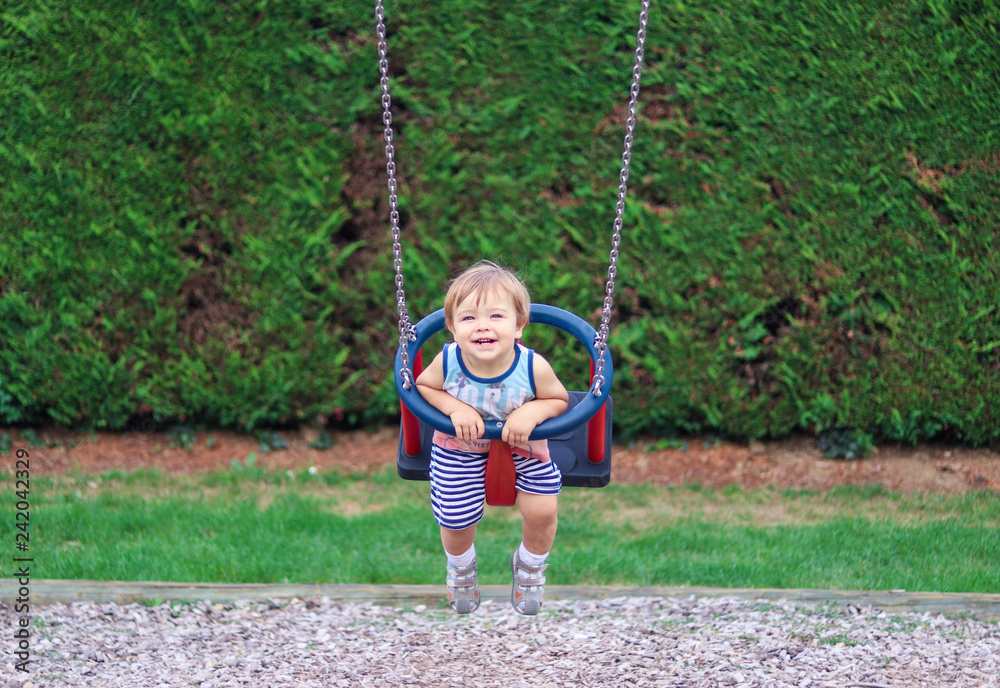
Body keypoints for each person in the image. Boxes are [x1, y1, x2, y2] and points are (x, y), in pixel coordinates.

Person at [415, 260, 569, 616]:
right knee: (455, 519)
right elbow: (424, 386)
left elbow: (559, 399)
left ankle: (530, 567)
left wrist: (531, 412)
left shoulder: (533, 366)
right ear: (452, 327)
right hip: (460, 447)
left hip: (524, 447)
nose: (482, 325)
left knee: (543, 511)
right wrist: (454, 408)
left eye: (496, 317)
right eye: (468, 318)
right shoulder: (449, 360)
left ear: (519, 326)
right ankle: (461, 569)